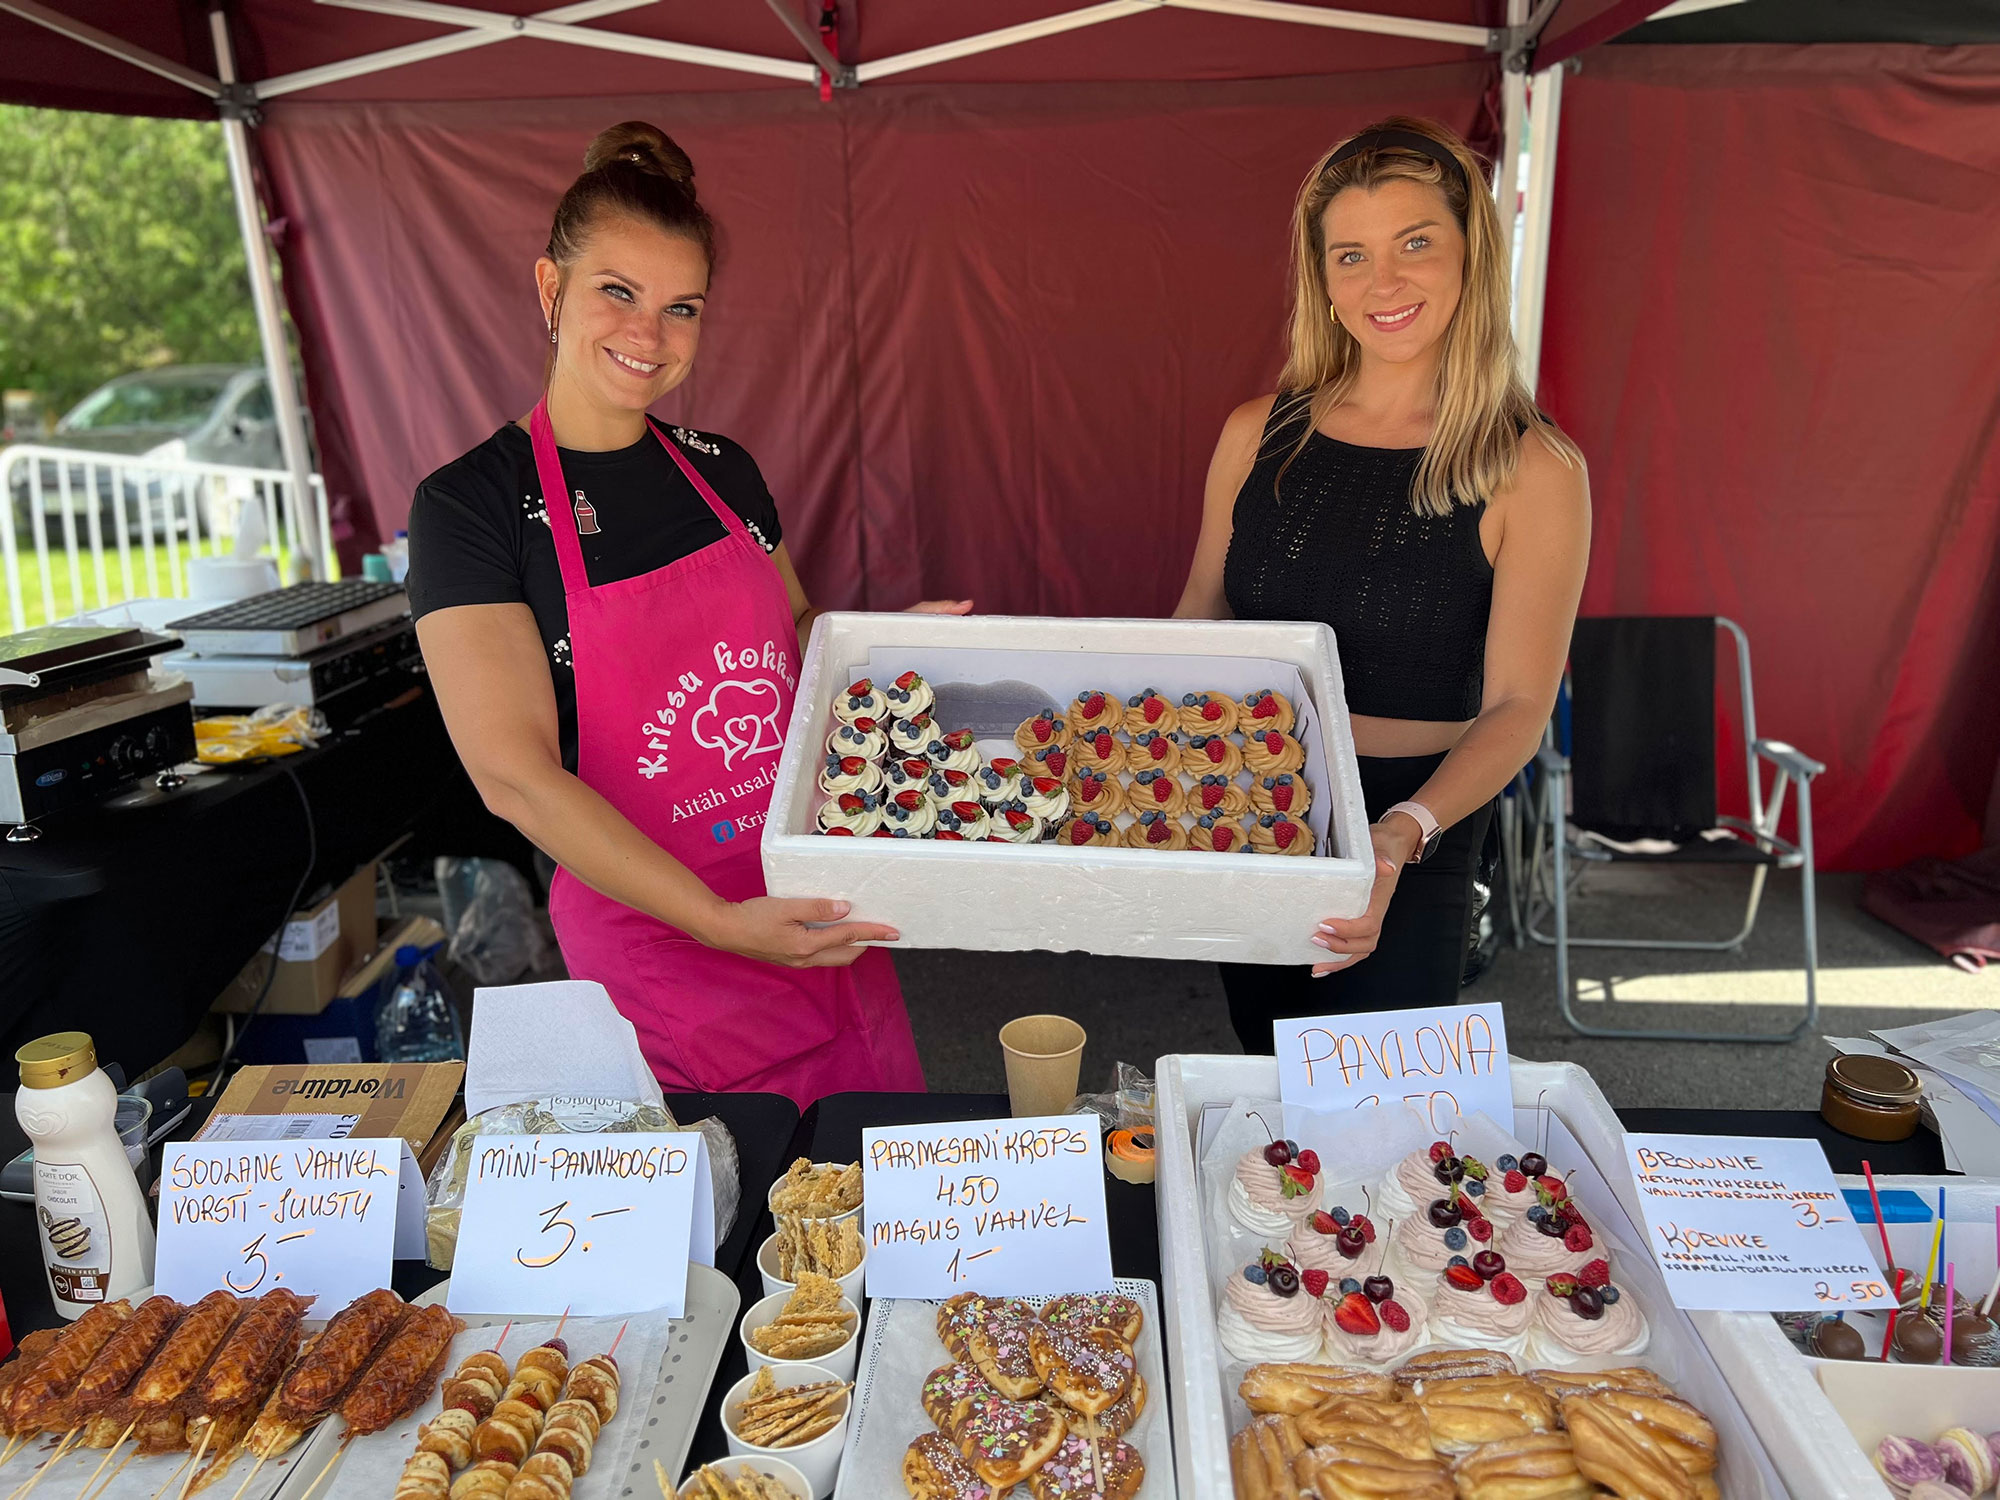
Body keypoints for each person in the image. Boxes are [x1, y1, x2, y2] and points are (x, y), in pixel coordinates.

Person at [408, 121, 965, 1102]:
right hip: (660, 939)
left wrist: (880, 648)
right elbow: (514, 777)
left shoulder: (722, 471)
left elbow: (794, 641)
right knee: (729, 1211)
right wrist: (714, 919)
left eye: (682, 307)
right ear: (550, 290)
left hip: (808, 888)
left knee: (868, 1184)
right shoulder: (472, 507)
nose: (648, 336)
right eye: (616, 292)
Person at [1173, 117, 1591, 1051]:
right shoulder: (1256, 431)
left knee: (1378, 1111)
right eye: (1350, 254)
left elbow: (1522, 704)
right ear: (1321, 278)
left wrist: (1402, 832)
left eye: (1416, 243)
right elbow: (1201, 618)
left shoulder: (1534, 467)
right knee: (1269, 1071)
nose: (1383, 283)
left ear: (1470, 255)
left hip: (1418, 817)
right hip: (1255, 800)